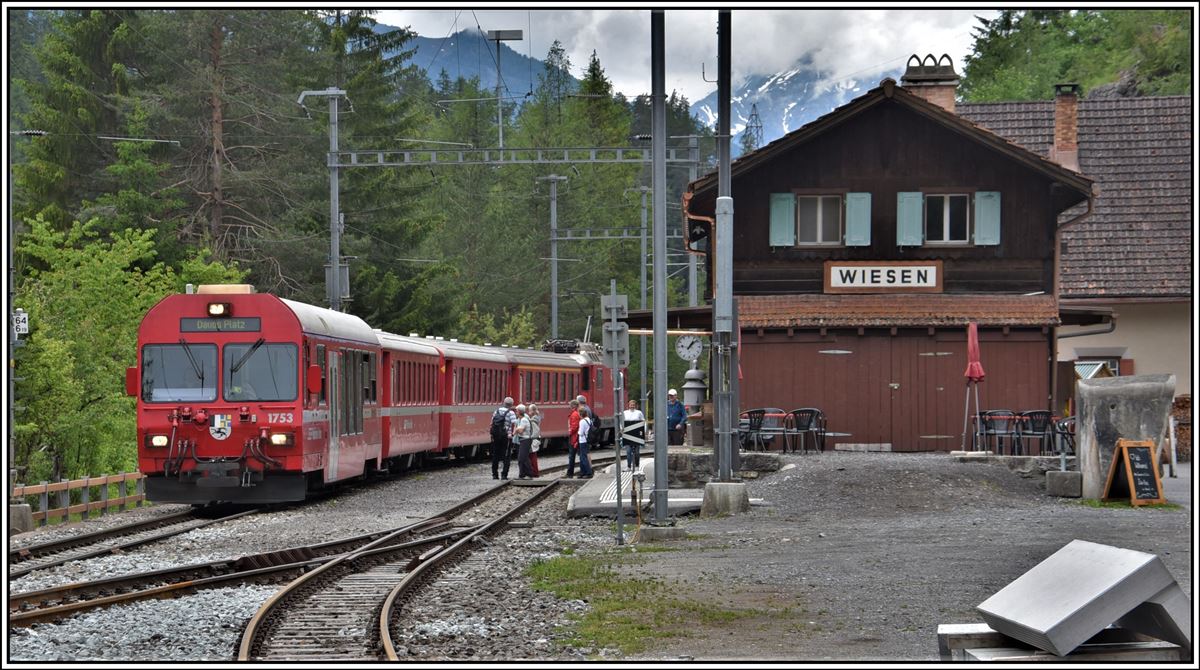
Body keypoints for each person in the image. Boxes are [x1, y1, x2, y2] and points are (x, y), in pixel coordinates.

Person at [490, 397, 516, 480]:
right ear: (511, 404)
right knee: (506, 455)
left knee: (495, 454)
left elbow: (491, 423)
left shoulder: (496, 411)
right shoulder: (511, 413)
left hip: (496, 436)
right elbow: (515, 423)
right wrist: (513, 433)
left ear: (504, 403)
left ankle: (494, 474)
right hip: (506, 436)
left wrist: (492, 434)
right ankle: (504, 475)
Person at [622, 399, 645, 469]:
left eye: (633, 405)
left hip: (636, 434)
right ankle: (629, 466)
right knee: (628, 451)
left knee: (637, 451)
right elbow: (622, 422)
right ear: (628, 405)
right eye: (630, 405)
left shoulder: (639, 413)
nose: (632, 406)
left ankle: (637, 465)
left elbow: (643, 421)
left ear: (635, 406)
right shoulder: (625, 413)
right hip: (627, 433)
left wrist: (644, 431)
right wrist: (622, 429)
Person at [513, 404, 533, 479]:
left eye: (516, 411)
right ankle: (522, 474)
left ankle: (529, 474)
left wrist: (517, 429)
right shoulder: (521, 420)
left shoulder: (524, 420)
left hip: (525, 440)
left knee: (523, 458)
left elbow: (520, 431)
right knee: (523, 458)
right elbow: (518, 430)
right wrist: (517, 429)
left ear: (519, 412)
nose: (515, 412)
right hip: (523, 440)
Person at [576, 407, 595, 478]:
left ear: (580, 414)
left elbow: (581, 432)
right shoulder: (589, 420)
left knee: (583, 457)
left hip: (583, 440)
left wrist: (577, 432)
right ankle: (582, 472)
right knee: (583, 457)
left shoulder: (582, 421)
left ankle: (588, 472)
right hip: (587, 440)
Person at [527, 403, 542, 477]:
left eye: (529, 410)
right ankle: (534, 471)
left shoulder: (533, 420)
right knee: (533, 456)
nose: (528, 411)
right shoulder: (536, 418)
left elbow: (536, 431)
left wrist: (530, 437)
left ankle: (534, 472)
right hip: (535, 440)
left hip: (533, 440)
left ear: (533, 411)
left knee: (532, 457)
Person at [566, 399, 581, 478]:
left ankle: (570, 472)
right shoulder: (575, 413)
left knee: (572, 455)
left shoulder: (574, 414)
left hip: (574, 438)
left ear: (573, 406)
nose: (569, 406)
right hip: (575, 437)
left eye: (570, 405)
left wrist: (570, 431)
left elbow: (574, 426)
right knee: (576, 455)